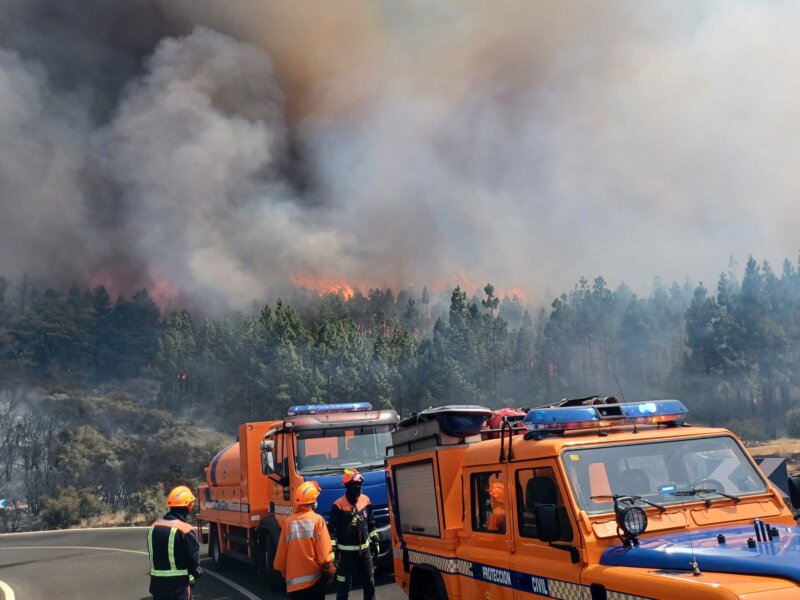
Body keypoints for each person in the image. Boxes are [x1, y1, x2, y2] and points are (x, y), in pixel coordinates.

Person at [274, 481, 335, 600]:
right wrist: (331, 568)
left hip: (294, 587)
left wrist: (283, 572)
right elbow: (324, 557)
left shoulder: (288, 522)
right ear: (313, 502)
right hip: (315, 583)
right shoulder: (318, 521)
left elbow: (281, 556)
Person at [329, 468, 377, 600]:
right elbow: (332, 532)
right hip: (345, 555)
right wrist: (333, 554)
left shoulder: (366, 501)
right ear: (347, 486)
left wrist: (375, 542)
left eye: (359, 486)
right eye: (355, 486)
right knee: (343, 586)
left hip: (364, 552)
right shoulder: (338, 506)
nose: (358, 489)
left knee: (369, 583)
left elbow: (371, 523)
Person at [148, 485, 202, 600]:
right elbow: (193, 563)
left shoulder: (154, 527)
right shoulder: (185, 529)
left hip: (157, 587)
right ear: (189, 505)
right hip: (178, 589)